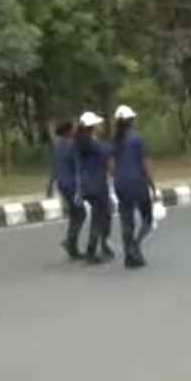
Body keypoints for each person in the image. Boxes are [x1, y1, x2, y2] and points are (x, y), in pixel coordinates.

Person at [111, 105, 154, 269]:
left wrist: (116, 177)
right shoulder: (136, 139)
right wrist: (152, 185)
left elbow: (111, 164)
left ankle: (129, 256)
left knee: (126, 220)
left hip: (120, 183)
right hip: (137, 182)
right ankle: (135, 246)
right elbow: (144, 164)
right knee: (147, 218)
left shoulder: (115, 140)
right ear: (131, 120)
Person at [74, 111, 115, 265]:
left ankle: (101, 246)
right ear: (92, 127)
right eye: (97, 124)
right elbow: (108, 153)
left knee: (101, 216)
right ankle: (93, 251)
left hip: (86, 185)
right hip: (97, 185)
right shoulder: (94, 144)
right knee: (100, 218)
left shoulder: (79, 142)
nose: (100, 126)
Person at [48, 119, 84, 260]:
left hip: (61, 184)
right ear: (68, 131)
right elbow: (77, 167)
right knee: (80, 214)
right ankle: (70, 241)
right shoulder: (72, 145)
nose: (75, 130)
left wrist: (50, 185)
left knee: (74, 214)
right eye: (73, 128)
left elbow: (54, 166)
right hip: (72, 184)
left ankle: (72, 246)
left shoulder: (56, 145)